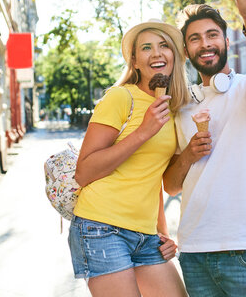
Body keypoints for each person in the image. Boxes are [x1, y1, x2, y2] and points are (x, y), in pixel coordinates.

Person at [163, 0, 246, 296]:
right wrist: (187, 156)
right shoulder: (181, 106)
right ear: (186, 51)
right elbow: (170, 186)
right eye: (195, 38)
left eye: (212, 34)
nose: (206, 43)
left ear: (227, 42)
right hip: (195, 252)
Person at [68, 19, 189, 297]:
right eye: (146, 48)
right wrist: (143, 132)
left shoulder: (172, 107)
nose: (157, 53)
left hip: (145, 234)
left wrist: (163, 232)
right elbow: (84, 172)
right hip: (100, 226)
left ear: (173, 56)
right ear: (134, 61)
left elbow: (153, 177)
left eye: (163, 46)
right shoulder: (120, 98)